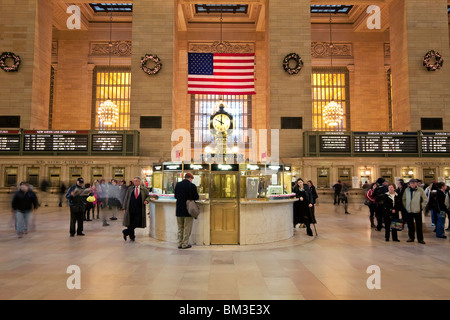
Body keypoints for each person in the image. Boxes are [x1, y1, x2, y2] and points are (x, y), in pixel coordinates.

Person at [174, 172, 199, 249]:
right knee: (187, 228)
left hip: (179, 209)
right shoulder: (192, 186)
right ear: (190, 178)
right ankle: (185, 244)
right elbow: (196, 197)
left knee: (180, 228)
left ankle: (179, 243)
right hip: (188, 210)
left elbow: (175, 196)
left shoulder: (178, 185)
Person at [122, 177, 150, 241]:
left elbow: (148, 196)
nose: (135, 182)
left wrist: (146, 200)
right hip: (131, 208)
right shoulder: (130, 189)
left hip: (139, 208)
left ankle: (126, 232)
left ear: (139, 182)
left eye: (137, 181)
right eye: (134, 181)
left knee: (137, 221)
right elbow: (126, 198)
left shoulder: (144, 189)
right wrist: (124, 207)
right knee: (130, 221)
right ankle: (132, 236)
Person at [402, 179, 428, 244]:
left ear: (416, 184)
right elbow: (404, 199)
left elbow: (425, 199)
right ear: (409, 184)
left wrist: (421, 206)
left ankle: (420, 239)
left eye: (414, 183)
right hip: (409, 211)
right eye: (411, 183)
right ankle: (411, 237)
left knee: (419, 225)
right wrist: (406, 206)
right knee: (410, 225)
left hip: (417, 210)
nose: (412, 184)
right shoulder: (407, 190)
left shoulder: (420, 190)